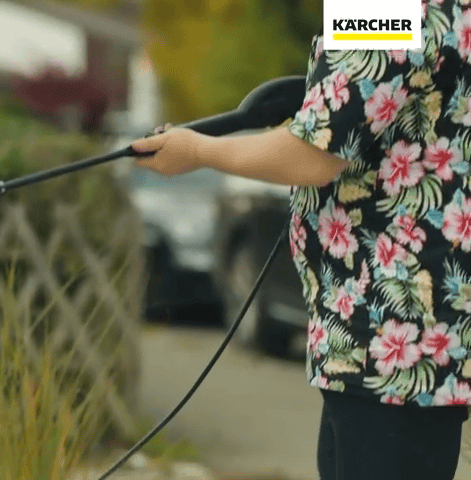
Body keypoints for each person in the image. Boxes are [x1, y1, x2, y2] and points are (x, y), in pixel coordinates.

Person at [130, 2, 471, 479]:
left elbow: (313, 155)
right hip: (412, 339)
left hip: (384, 338)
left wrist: (197, 150)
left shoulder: (387, 10)